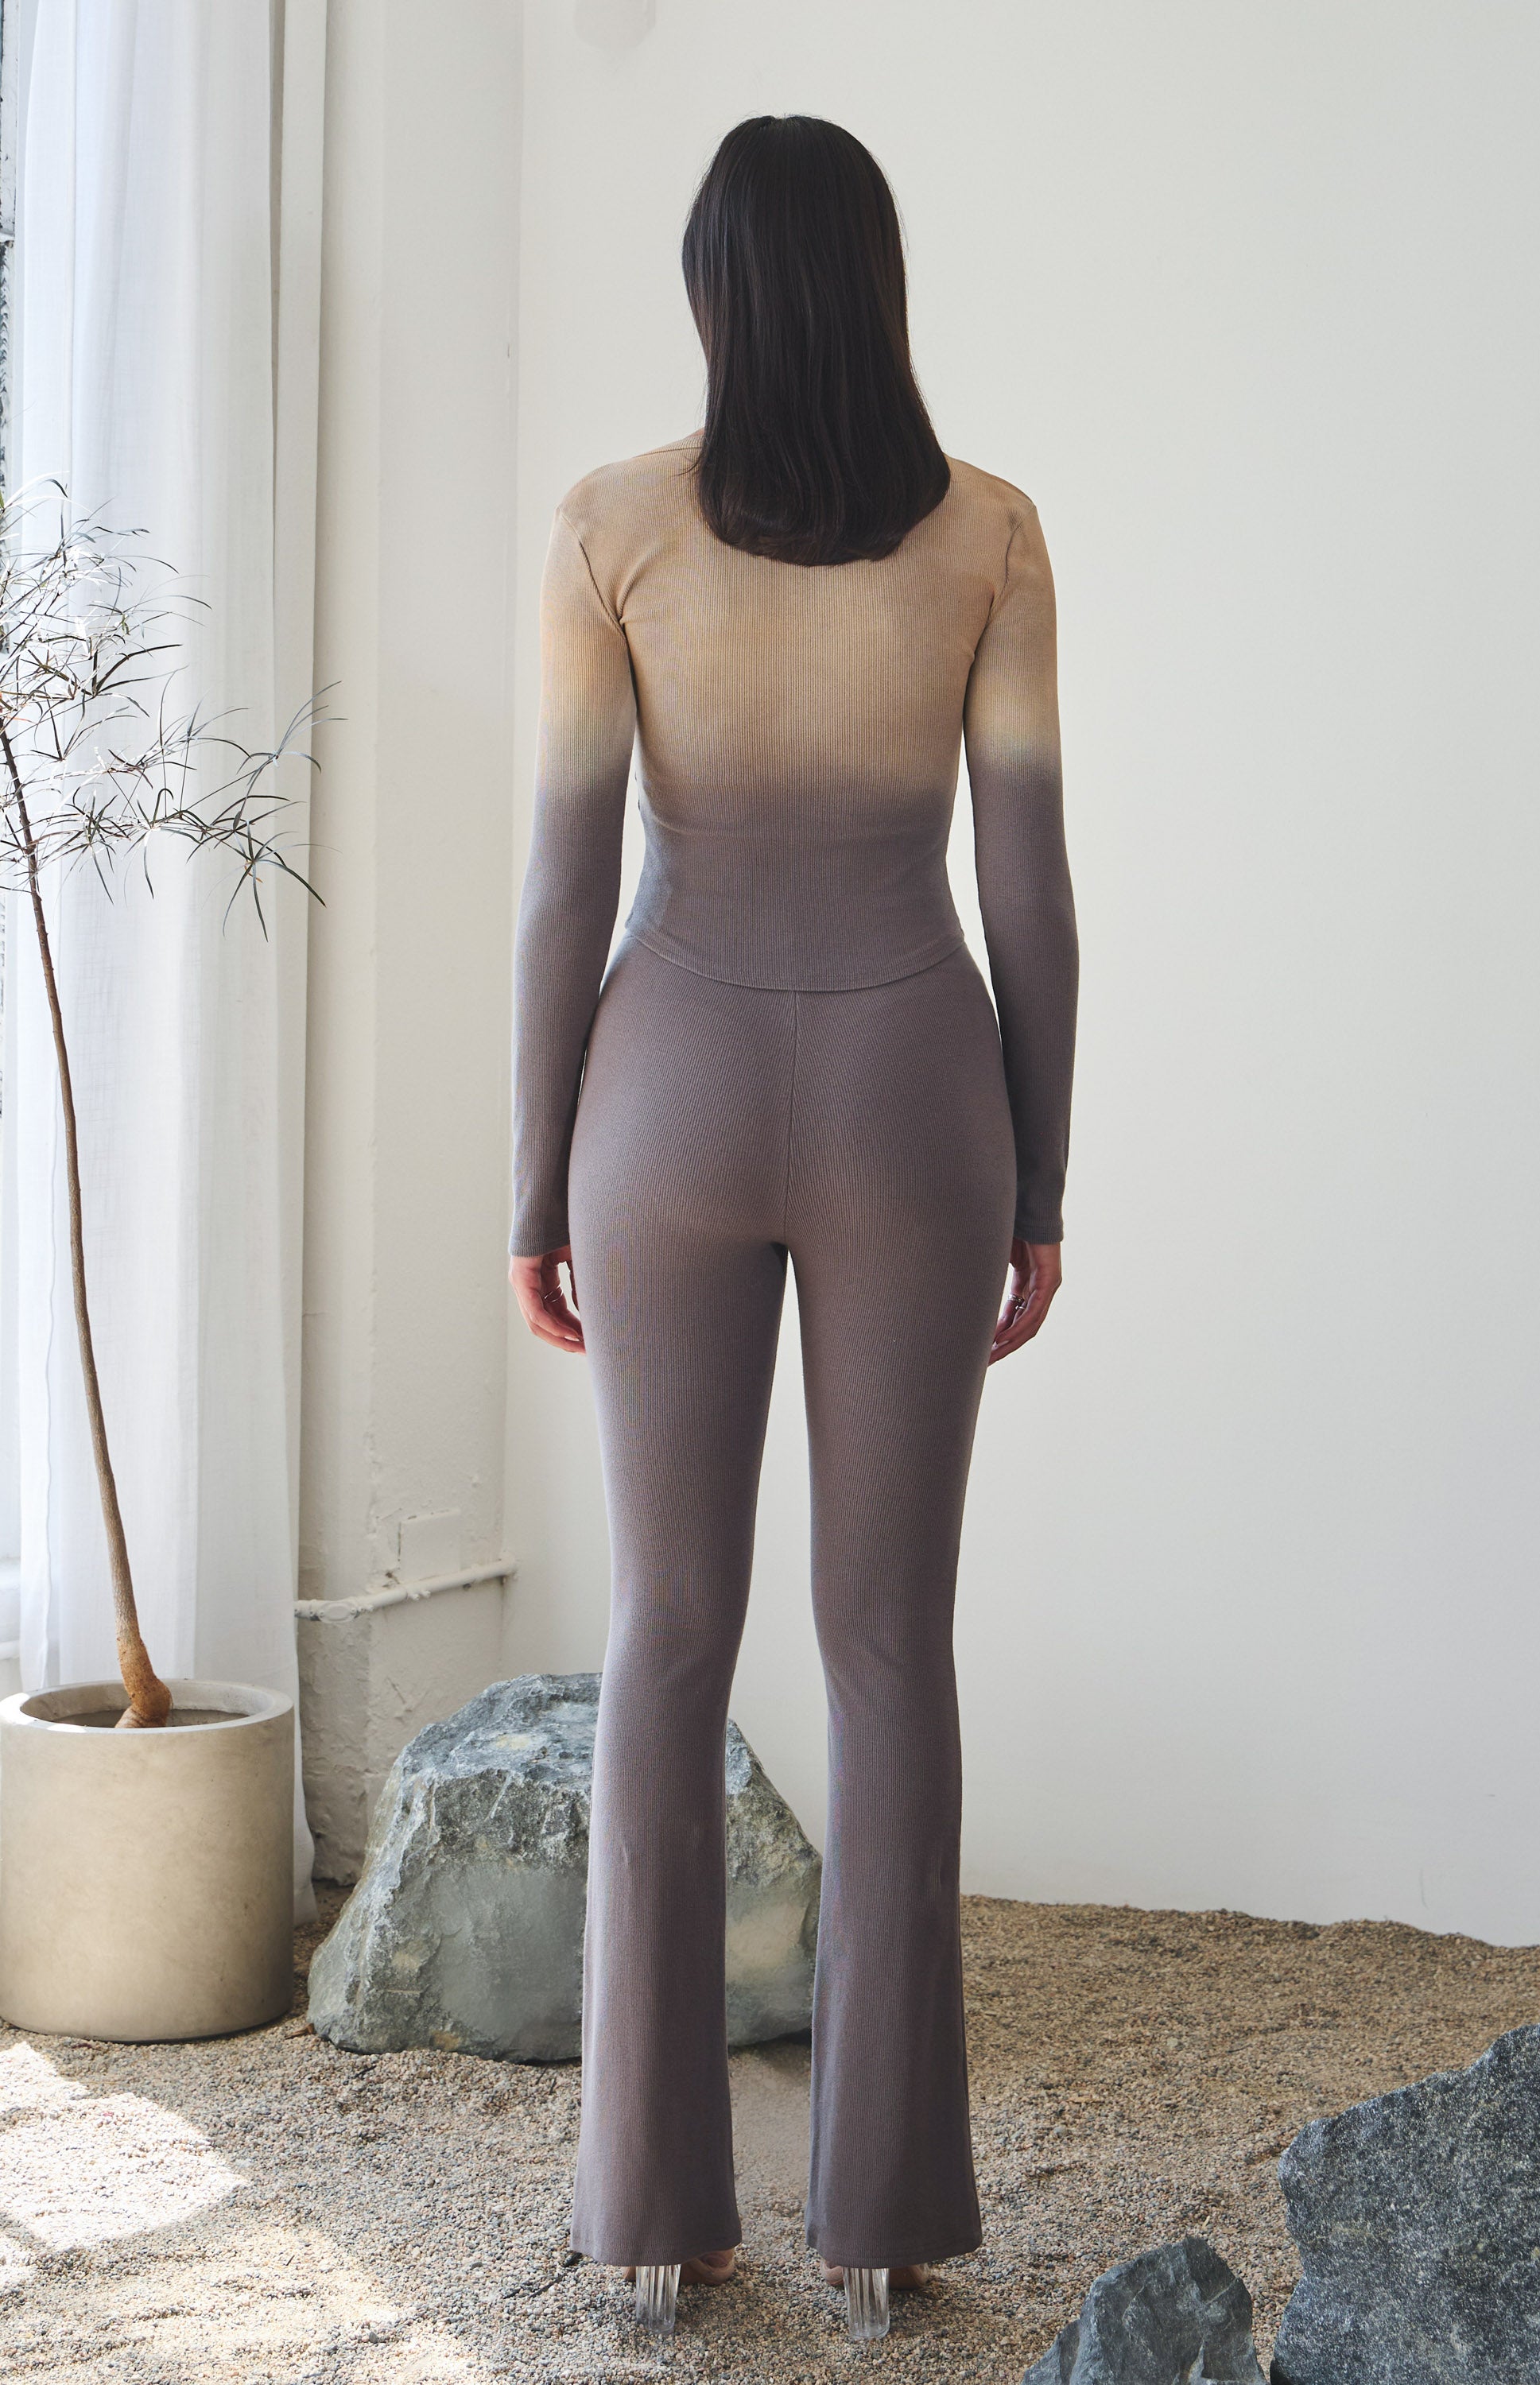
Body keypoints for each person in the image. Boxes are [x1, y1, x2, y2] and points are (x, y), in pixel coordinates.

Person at [508, 114, 1078, 2334]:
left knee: (665, 1630)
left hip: (661, 1096)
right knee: (888, 1644)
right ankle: (890, 2219)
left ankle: (652, 2211)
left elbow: (568, 890)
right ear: (880, 284)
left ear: (712, 299)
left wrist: (533, 1182)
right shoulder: (994, 536)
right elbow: (1028, 893)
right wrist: (1045, 1177)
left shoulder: (609, 528)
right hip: (915, 1101)